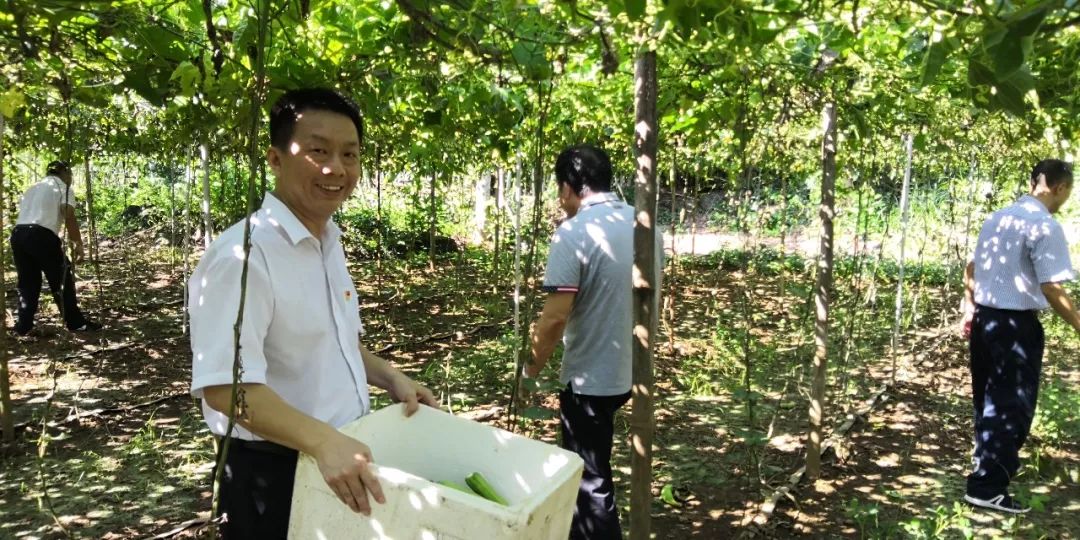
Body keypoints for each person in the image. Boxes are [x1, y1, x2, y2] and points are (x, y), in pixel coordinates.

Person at [189, 88, 437, 539]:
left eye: (349, 154)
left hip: (337, 457)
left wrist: (390, 377)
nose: (336, 168)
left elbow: (336, 342)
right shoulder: (243, 258)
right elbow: (226, 389)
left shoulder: (328, 240)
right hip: (272, 469)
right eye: (318, 151)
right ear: (276, 158)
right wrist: (323, 441)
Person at [523, 144, 661, 540]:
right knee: (597, 466)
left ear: (567, 188)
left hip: (590, 379)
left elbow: (554, 318)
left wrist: (530, 368)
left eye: (558, 191)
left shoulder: (574, 232)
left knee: (590, 480)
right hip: (631, 369)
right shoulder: (645, 224)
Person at [961, 159, 1080, 514]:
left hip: (986, 320)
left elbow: (971, 267)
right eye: (1068, 192)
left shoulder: (998, 218)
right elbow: (1051, 286)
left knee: (987, 397)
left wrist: (969, 306)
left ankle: (985, 465)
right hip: (1014, 326)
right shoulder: (1044, 226)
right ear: (1059, 187)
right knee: (1011, 404)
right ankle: (987, 488)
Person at [10, 160, 101, 335]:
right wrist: (78, 245)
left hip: (18, 235)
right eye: (71, 175)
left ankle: (23, 326)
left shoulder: (33, 188)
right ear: (65, 173)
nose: (72, 179)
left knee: (28, 282)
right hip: (41, 235)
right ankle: (76, 323)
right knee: (62, 278)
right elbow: (69, 216)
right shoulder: (62, 188)